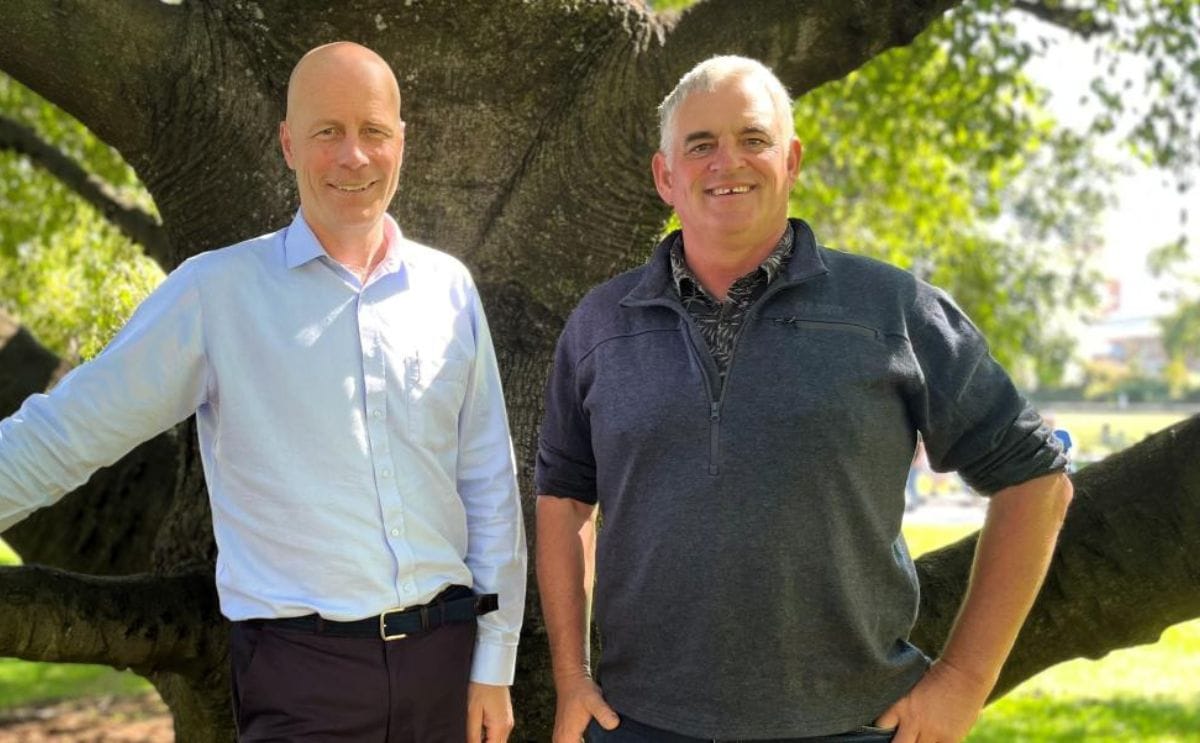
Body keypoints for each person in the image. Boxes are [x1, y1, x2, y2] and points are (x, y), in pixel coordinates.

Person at [535, 56, 1073, 743]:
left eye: (753, 139)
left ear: (790, 160)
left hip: (853, 724)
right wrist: (572, 678)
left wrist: (963, 683)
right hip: (638, 723)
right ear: (665, 175)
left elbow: (1036, 480)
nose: (727, 161)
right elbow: (563, 497)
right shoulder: (599, 324)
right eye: (700, 144)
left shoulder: (891, 309)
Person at [0, 42, 525, 743]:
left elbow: (488, 479)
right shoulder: (217, 293)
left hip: (447, 665)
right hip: (302, 676)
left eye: (373, 131)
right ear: (287, 142)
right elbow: (64, 433)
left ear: (402, 142)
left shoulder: (449, 288)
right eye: (326, 132)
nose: (353, 156)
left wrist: (494, 658)